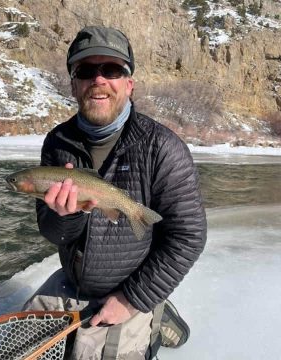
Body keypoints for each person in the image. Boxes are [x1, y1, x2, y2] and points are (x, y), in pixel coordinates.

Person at [23, 25, 207, 359]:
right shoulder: (56, 143)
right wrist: (68, 215)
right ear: (74, 83)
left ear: (129, 83)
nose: (98, 79)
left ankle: (156, 307)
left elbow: (188, 236)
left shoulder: (163, 148)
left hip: (131, 286)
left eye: (111, 69)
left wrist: (132, 300)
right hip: (73, 279)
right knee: (23, 343)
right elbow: (53, 232)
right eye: (86, 70)